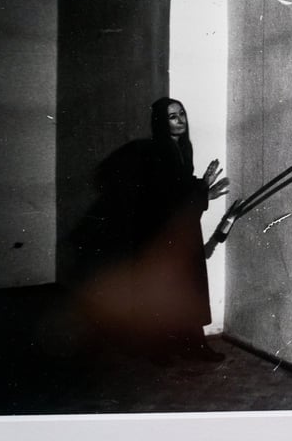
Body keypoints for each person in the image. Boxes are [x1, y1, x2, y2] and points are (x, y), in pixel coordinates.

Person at [69, 97, 229, 363]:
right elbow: (164, 195)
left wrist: (202, 184)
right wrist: (204, 191)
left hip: (181, 230)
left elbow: (179, 186)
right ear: (161, 122)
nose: (180, 120)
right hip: (161, 233)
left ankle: (195, 345)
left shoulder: (182, 147)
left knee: (188, 288)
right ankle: (159, 349)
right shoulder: (157, 151)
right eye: (172, 116)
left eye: (182, 114)